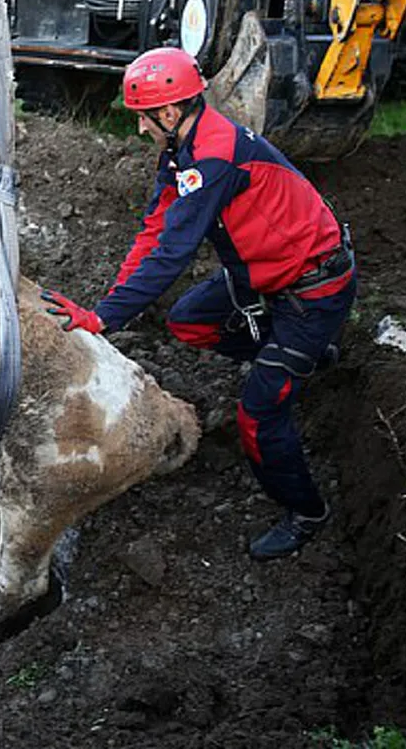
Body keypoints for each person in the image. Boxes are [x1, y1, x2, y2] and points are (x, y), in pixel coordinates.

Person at [41, 47, 356, 561]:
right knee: (188, 321)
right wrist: (106, 307)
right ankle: (311, 359)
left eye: (142, 119)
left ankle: (307, 513)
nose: (140, 130)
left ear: (167, 113)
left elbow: (173, 254)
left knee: (258, 415)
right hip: (262, 275)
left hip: (312, 291)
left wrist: (103, 319)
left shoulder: (213, 156)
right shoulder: (181, 152)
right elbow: (153, 231)